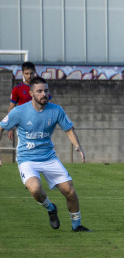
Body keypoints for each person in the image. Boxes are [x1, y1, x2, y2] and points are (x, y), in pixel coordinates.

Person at [0, 77, 89, 232]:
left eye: (46, 90)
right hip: (27, 159)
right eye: (39, 91)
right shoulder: (19, 111)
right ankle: (51, 208)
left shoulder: (56, 110)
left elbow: (69, 129)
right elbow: (1, 127)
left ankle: (77, 226)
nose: (44, 94)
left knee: (70, 191)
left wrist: (78, 147)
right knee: (35, 189)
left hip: (49, 158)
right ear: (31, 94)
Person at [6, 61, 39, 141]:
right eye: (27, 73)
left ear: (34, 72)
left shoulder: (40, 88)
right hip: (23, 124)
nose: (29, 76)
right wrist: (10, 127)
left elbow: (49, 105)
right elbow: (11, 109)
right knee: (24, 147)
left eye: (31, 73)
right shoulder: (17, 89)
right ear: (23, 73)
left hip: (39, 122)